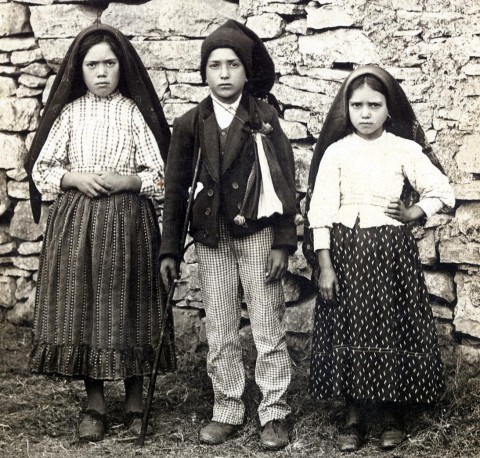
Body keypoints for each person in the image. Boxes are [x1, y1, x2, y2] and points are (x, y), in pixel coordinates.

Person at [24, 24, 175, 442]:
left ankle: (134, 398)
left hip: (128, 222)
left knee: (130, 304)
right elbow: (42, 169)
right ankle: (93, 402)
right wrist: (73, 177)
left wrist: (128, 182)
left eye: (110, 63)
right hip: (78, 223)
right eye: (93, 65)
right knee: (85, 304)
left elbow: (160, 174)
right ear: (80, 69)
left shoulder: (132, 112)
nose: (102, 72)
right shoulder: (70, 114)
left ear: (121, 67)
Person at [159, 20, 297, 450]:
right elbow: (176, 189)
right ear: (204, 72)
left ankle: (274, 410)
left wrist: (282, 240)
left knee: (266, 320)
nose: (223, 73)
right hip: (211, 237)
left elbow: (285, 181)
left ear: (246, 71)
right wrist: (170, 249)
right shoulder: (189, 123)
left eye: (233, 64)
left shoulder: (264, 117)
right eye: (215, 65)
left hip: (257, 235)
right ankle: (227, 405)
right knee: (219, 324)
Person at [304, 65, 455, 452]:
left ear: (390, 109)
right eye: (357, 105)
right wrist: (325, 265)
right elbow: (320, 210)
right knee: (350, 325)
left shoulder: (403, 148)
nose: (366, 113)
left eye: (375, 104)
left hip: (391, 255)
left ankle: (391, 412)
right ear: (346, 109)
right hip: (345, 252)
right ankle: (354, 415)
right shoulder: (336, 152)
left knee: (389, 324)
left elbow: (442, 190)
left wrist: (413, 213)